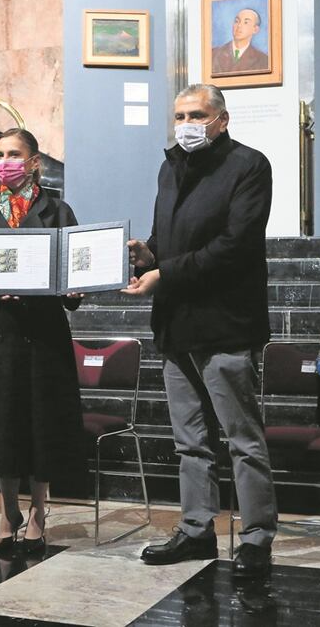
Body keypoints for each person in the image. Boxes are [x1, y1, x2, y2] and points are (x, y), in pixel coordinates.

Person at [125, 84, 277, 590]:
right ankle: (196, 530)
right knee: (190, 441)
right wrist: (147, 254)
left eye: (197, 115)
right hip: (176, 324)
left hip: (226, 322)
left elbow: (235, 246)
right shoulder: (170, 167)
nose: (187, 124)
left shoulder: (249, 166)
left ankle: (256, 538)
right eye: (180, 116)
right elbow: (168, 237)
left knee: (242, 441)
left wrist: (164, 272)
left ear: (222, 120)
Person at [0, 127, 85, 556]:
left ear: (34, 162)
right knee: (2, 423)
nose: (5, 162)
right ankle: (8, 512)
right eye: (0, 155)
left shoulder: (57, 210)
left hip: (43, 334)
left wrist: (73, 287)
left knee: (41, 423)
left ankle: (39, 512)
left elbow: (75, 266)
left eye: (14, 154)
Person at [210, 8, 269, 75]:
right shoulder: (214, 53)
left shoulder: (263, 60)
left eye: (246, 22)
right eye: (237, 21)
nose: (239, 25)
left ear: (255, 29)